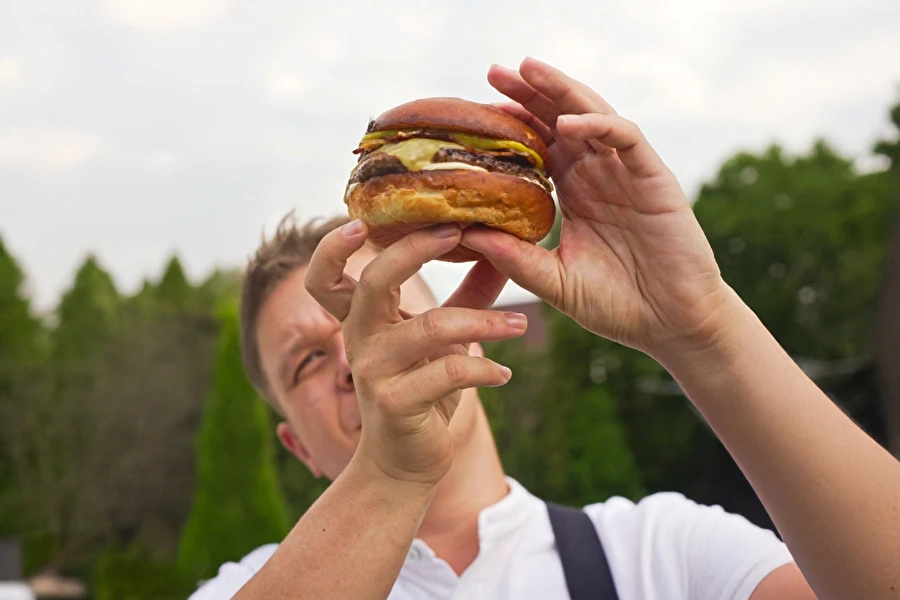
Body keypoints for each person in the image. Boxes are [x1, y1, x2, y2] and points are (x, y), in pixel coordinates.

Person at [191, 58, 900, 600]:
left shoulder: (658, 556)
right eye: (308, 361)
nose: (353, 353)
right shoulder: (240, 587)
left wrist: (701, 328)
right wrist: (390, 473)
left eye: (380, 305)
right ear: (294, 445)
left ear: (463, 322)